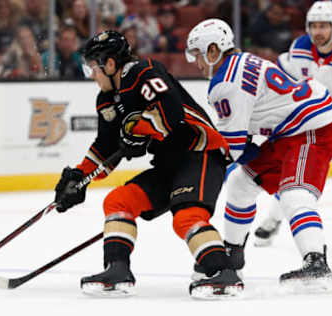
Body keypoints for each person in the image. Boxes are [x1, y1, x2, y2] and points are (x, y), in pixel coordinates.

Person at [53, 30, 243, 299]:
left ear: (110, 64)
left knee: (187, 216)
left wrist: (138, 130)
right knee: (118, 201)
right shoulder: (107, 100)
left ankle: (224, 273)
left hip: (200, 153)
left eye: (93, 68)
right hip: (169, 164)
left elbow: (171, 112)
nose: (92, 75)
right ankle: (117, 270)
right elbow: (105, 147)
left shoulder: (143, 72)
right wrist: (79, 177)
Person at [186, 18, 332, 287]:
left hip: (313, 128)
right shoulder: (241, 60)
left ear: (213, 50)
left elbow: (231, 148)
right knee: (240, 181)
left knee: (294, 193)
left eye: (198, 55)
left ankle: (316, 263)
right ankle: (232, 258)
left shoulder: (224, 84)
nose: (197, 63)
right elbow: (238, 145)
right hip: (291, 130)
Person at [253, 0, 332, 246]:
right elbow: (283, 74)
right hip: (312, 120)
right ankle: (273, 221)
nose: (318, 32)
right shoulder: (300, 47)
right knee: (295, 169)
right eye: (313, 26)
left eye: (324, 26)